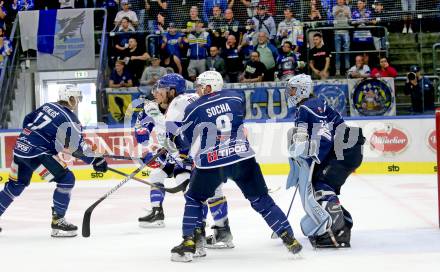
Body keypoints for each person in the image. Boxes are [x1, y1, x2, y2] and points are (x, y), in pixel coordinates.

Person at [168, 71, 302, 262]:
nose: (197, 90)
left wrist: (177, 147)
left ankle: (188, 244)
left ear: (208, 87)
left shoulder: (194, 107)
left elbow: (185, 140)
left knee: (194, 198)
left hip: (213, 162)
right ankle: (289, 238)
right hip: (242, 156)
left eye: (200, 86)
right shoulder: (235, 98)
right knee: (261, 199)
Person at [135, 73, 234, 250]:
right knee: (208, 191)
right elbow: (146, 132)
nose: (157, 92)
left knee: (196, 194)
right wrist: (154, 148)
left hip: (192, 153)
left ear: (172, 91)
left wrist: (177, 151)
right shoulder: (188, 99)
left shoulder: (179, 103)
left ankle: (198, 238)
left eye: (162, 89)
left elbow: (178, 134)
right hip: (196, 151)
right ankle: (221, 232)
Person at [0, 85, 108, 236]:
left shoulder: (47, 106)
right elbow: (79, 147)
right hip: (37, 155)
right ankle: (58, 222)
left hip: (20, 149)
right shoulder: (70, 118)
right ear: (70, 99)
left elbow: (28, 119)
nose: (78, 102)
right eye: (76, 98)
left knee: (14, 186)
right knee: (66, 179)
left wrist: (33, 137)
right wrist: (96, 161)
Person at [285, 74, 365, 248]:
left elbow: (321, 135)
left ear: (302, 90)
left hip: (343, 151)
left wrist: (311, 156)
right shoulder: (320, 103)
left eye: (292, 89)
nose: (289, 93)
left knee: (320, 184)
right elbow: (339, 126)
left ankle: (337, 233)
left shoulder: (304, 109)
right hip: (348, 148)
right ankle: (343, 221)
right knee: (322, 183)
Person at [332, 0, 351, 76]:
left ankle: (347, 70)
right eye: (338, 0)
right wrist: (339, 10)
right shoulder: (334, 7)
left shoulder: (347, 8)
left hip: (345, 31)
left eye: (341, 0)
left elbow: (350, 18)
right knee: (338, 52)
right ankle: (337, 70)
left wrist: (347, 14)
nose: (340, 1)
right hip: (337, 32)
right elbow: (333, 15)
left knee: (347, 51)